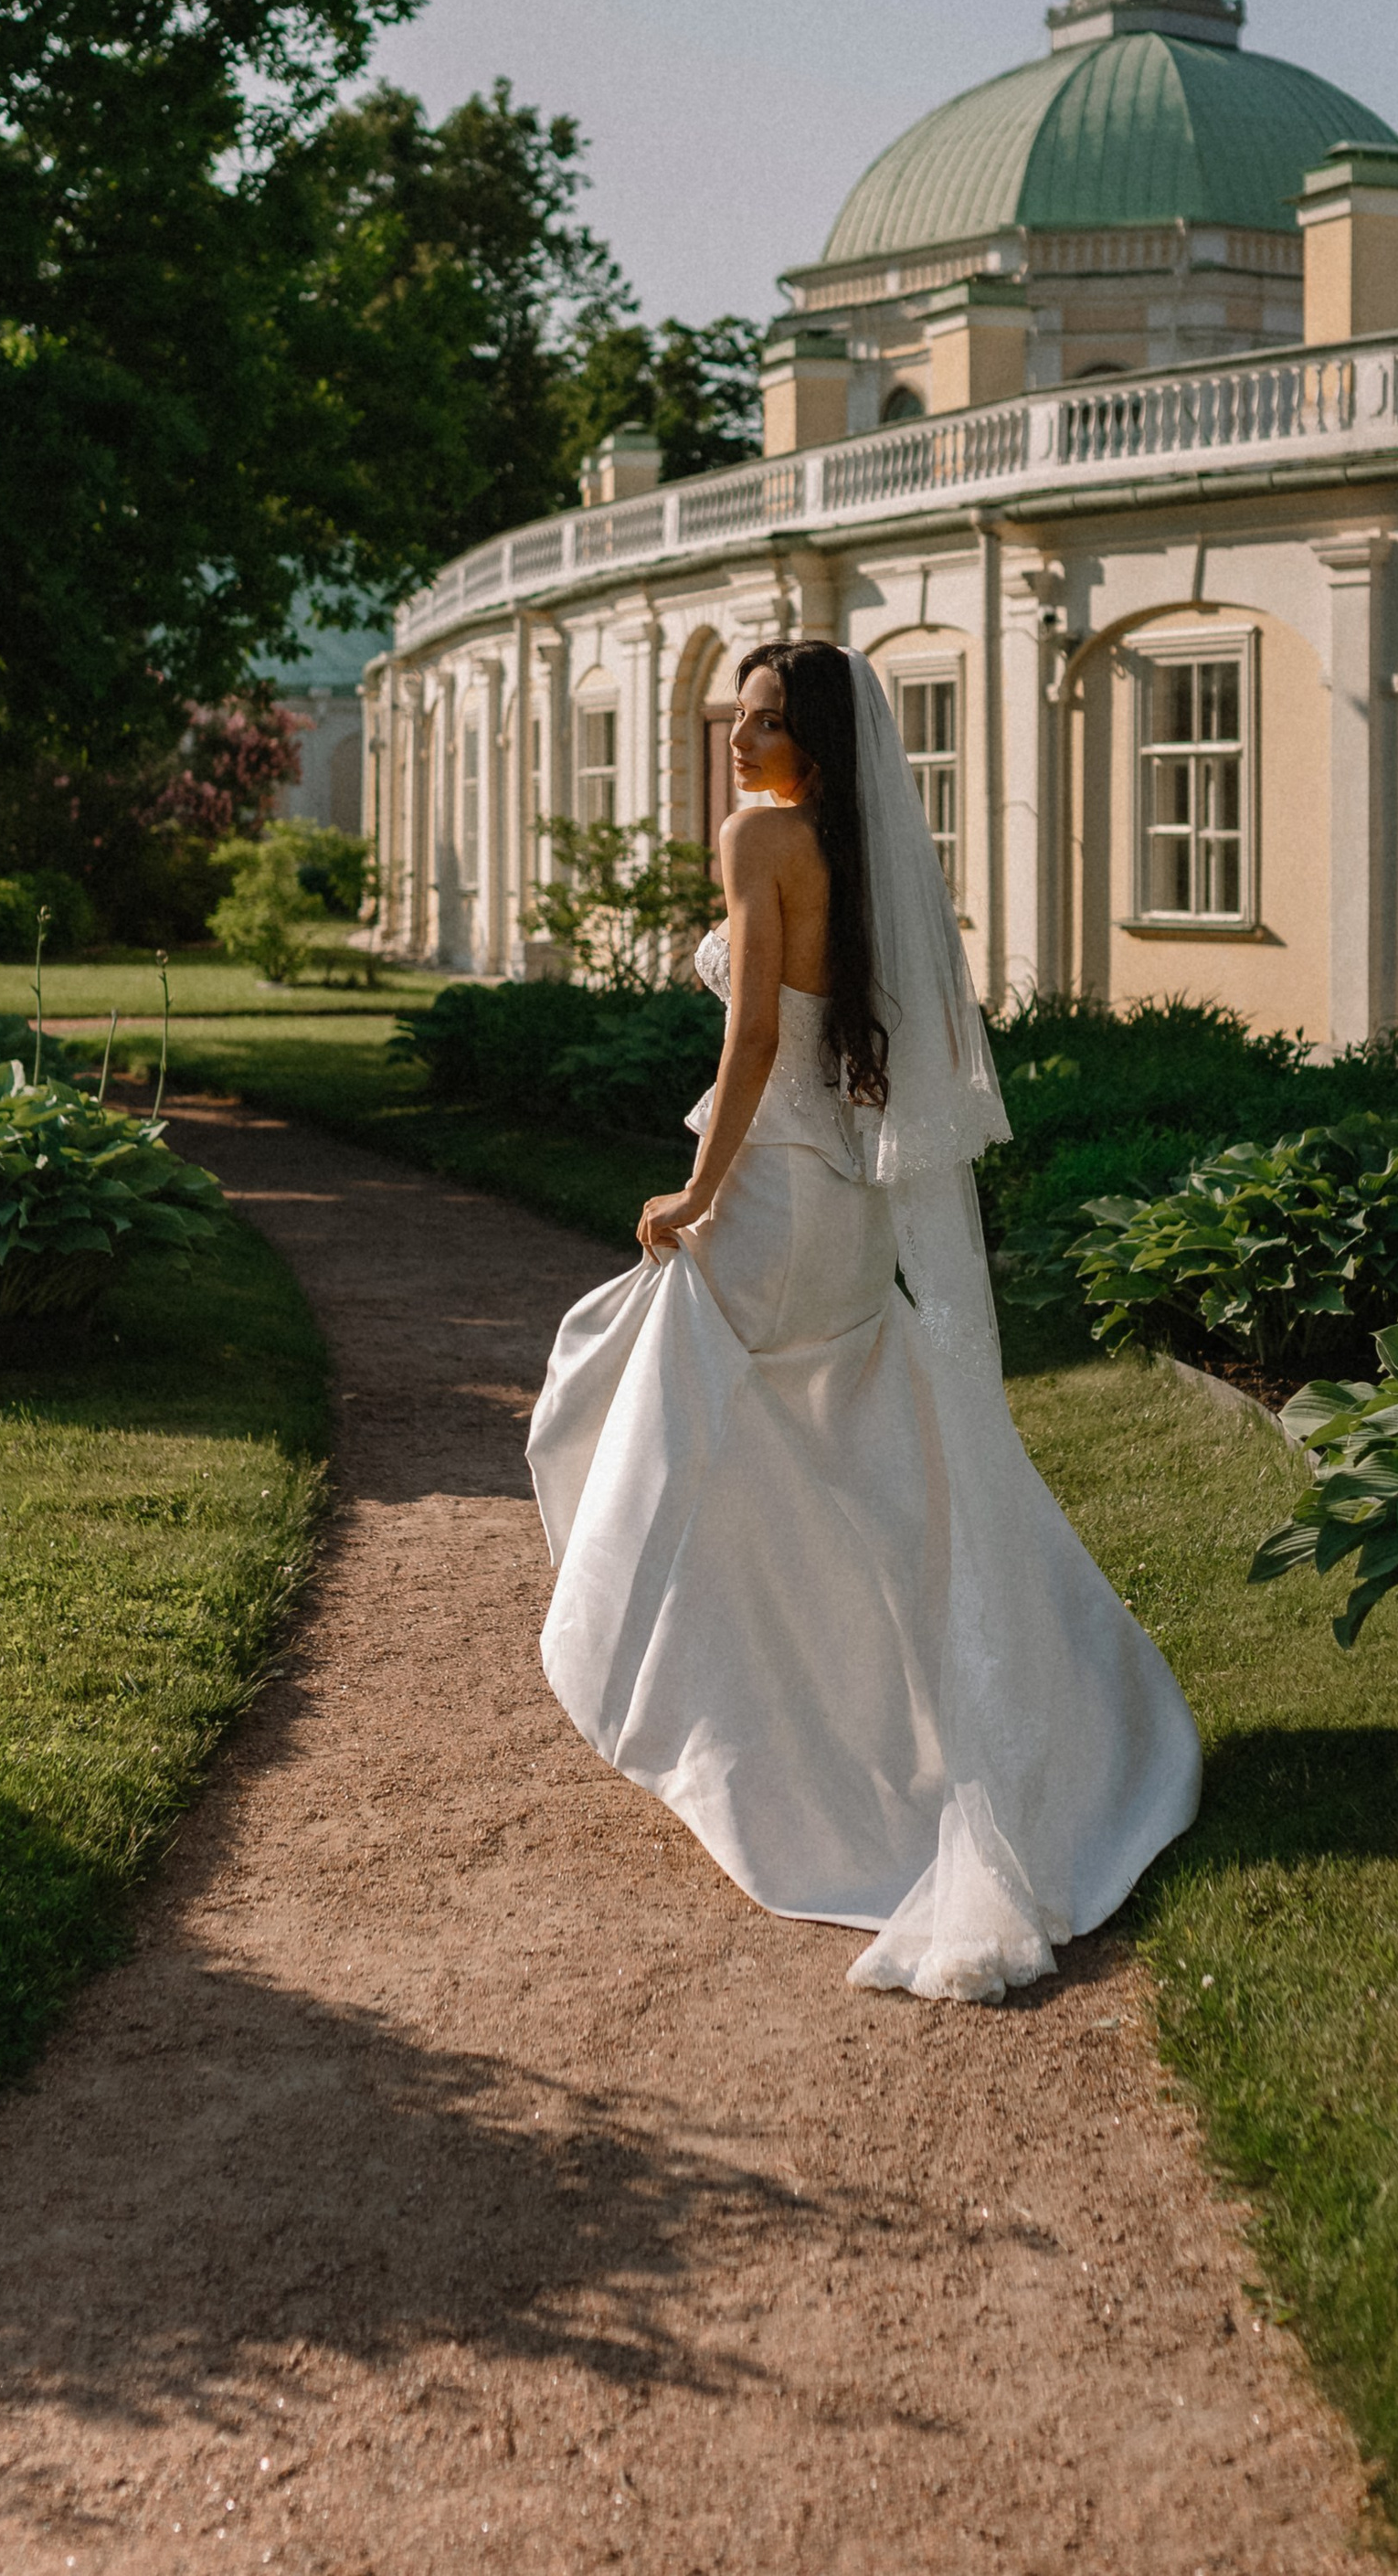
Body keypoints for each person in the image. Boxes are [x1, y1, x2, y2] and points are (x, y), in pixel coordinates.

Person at [525, 641, 1202, 2004]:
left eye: (767, 723)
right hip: (842, 1215)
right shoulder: (854, 854)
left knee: (634, 1393)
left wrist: (695, 1192)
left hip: (772, 1204)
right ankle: (889, 1710)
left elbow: (755, 1041)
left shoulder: (761, 835)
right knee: (838, 1465)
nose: (739, 737)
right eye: (740, 715)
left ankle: (713, 1713)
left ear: (815, 753)